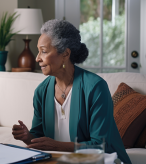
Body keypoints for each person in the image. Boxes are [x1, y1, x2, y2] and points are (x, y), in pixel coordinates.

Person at [12, 19, 131, 163]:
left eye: (43, 51)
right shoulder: (41, 91)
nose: (38, 58)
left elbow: (101, 145)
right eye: (38, 52)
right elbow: (39, 139)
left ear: (65, 54)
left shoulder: (95, 87)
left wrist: (58, 146)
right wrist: (27, 136)